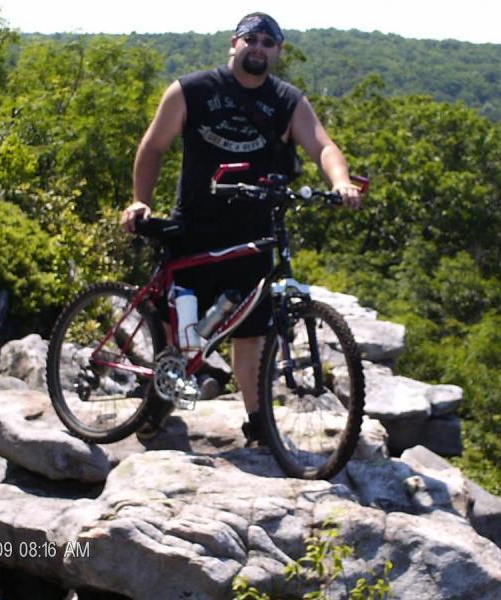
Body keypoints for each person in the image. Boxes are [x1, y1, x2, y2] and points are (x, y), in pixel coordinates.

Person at [120, 12, 362, 444]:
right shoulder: (191, 90)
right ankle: (158, 399)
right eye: (251, 38)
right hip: (194, 226)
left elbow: (322, 145)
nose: (259, 47)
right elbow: (153, 146)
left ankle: (258, 422)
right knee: (180, 323)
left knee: (251, 333)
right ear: (234, 43)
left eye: (269, 42)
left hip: (253, 233)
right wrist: (141, 199)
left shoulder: (288, 101)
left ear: (277, 52)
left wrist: (340, 182)